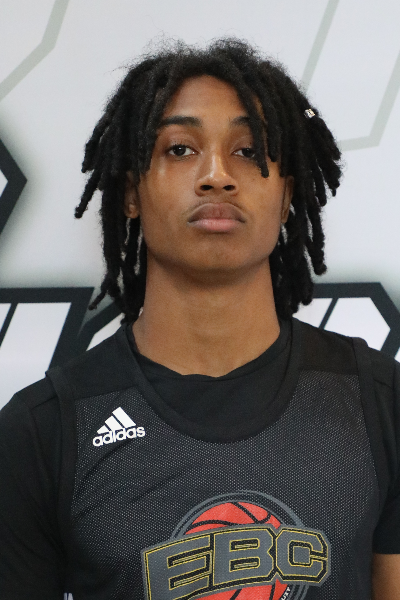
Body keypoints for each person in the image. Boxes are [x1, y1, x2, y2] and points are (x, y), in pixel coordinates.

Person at [0, 38, 399, 600]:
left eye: (248, 150)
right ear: (132, 192)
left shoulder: (378, 402)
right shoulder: (42, 432)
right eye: (181, 149)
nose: (216, 175)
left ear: (287, 194)